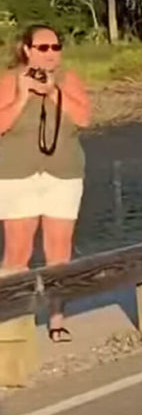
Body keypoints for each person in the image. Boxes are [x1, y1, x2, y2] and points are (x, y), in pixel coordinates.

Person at [0, 24, 91, 343]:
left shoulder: (69, 81)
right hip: (16, 176)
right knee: (17, 253)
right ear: (27, 50)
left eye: (56, 47)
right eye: (43, 47)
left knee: (59, 252)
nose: (51, 53)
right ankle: (14, 321)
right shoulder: (8, 81)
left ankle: (57, 319)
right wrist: (23, 97)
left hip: (62, 175)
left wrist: (53, 93)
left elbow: (83, 118)